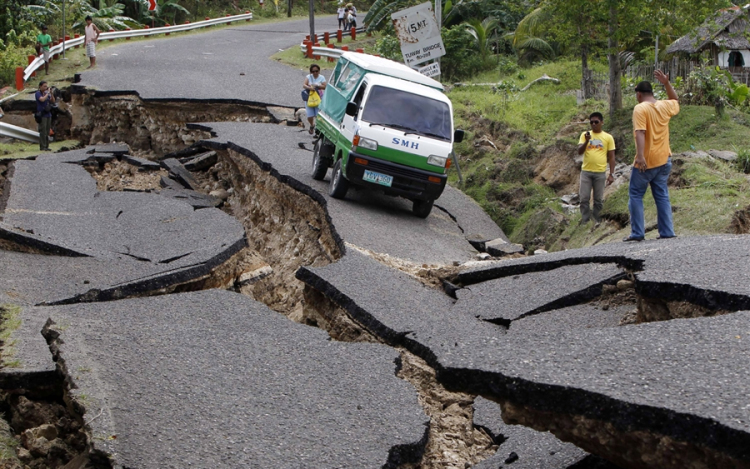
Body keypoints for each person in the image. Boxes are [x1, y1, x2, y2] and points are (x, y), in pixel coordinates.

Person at [624, 70, 680, 242]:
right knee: (662, 195)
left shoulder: (640, 108)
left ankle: (637, 233)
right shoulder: (664, 105)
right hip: (665, 160)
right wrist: (667, 83)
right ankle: (667, 231)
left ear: (639, 94)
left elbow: (640, 132)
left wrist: (640, 157)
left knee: (635, 194)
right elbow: (676, 100)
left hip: (647, 161)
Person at [577, 111, 616, 225]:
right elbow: (579, 151)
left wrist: (611, 174)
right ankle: (585, 220)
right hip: (586, 172)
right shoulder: (585, 135)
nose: (594, 124)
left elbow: (612, 157)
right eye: (591, 122)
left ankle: (597, 220)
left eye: (596, 122)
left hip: (600, 172)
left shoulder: (608, 137)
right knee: (584, 198)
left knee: (598, 199)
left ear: (601, 122)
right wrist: (587, 141)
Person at [303, 64, 326, 135]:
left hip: (318, 98)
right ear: (311, 72)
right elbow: (304, 85)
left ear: (319, 71)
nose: (315, 73)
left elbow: (325, 86)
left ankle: (318, 131)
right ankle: (312, 125)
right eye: (313, 71)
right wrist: (309, 88)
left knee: (317, 115)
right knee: (310, 115)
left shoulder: (322, 77)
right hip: (310, 98)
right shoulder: (308, 77)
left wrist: (318, 85)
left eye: (316, 71)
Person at [35, 81, 55, 151]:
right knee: (43, 131)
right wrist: (48, 93)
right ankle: (42, 146)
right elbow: (42, 99)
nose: (45, 88)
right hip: (42, 115)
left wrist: (51, 93)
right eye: (44, 86)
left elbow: (52, 101)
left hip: (48, 114)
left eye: (46, 86)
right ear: (40, 86)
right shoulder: (38, 93)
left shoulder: (47, 93)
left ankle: (46, 146)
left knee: (47, 131)